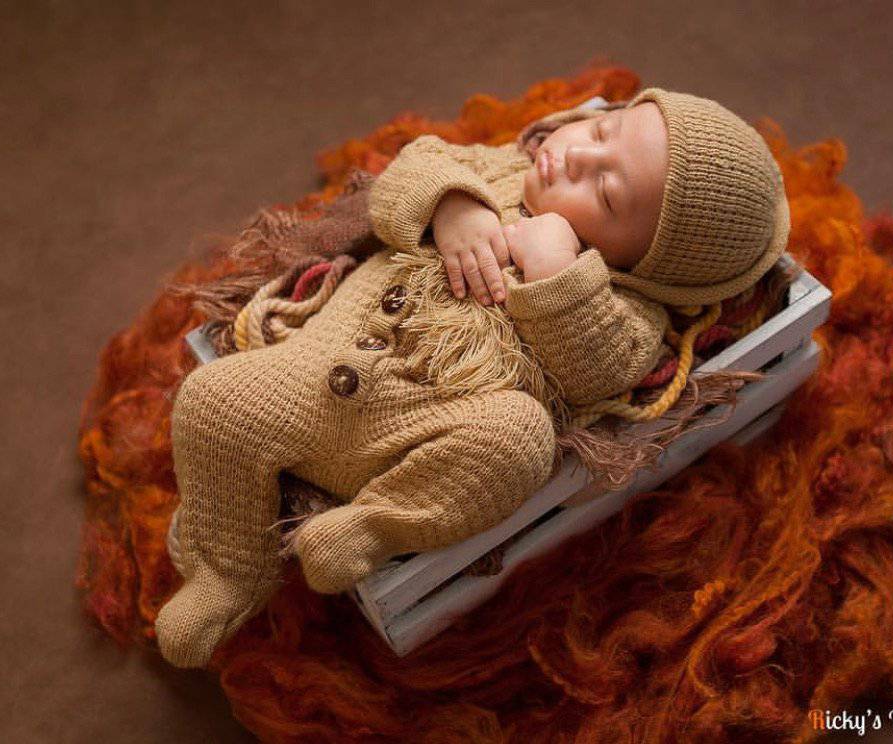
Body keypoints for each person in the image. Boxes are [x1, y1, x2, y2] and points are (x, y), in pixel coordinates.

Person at [154, 87, 791, 668]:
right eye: (602, 133)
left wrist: (559, 278)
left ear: (645, 267)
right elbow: (411, 169)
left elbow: (603, 374)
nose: (574, 158)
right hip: (312, 374)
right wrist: (451, 204)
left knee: (518, 437)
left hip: (421, 439)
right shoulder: (497, 170)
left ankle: (374, 525)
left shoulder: (627, 306)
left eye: (607, 194)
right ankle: (230, 568)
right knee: (213, 400)